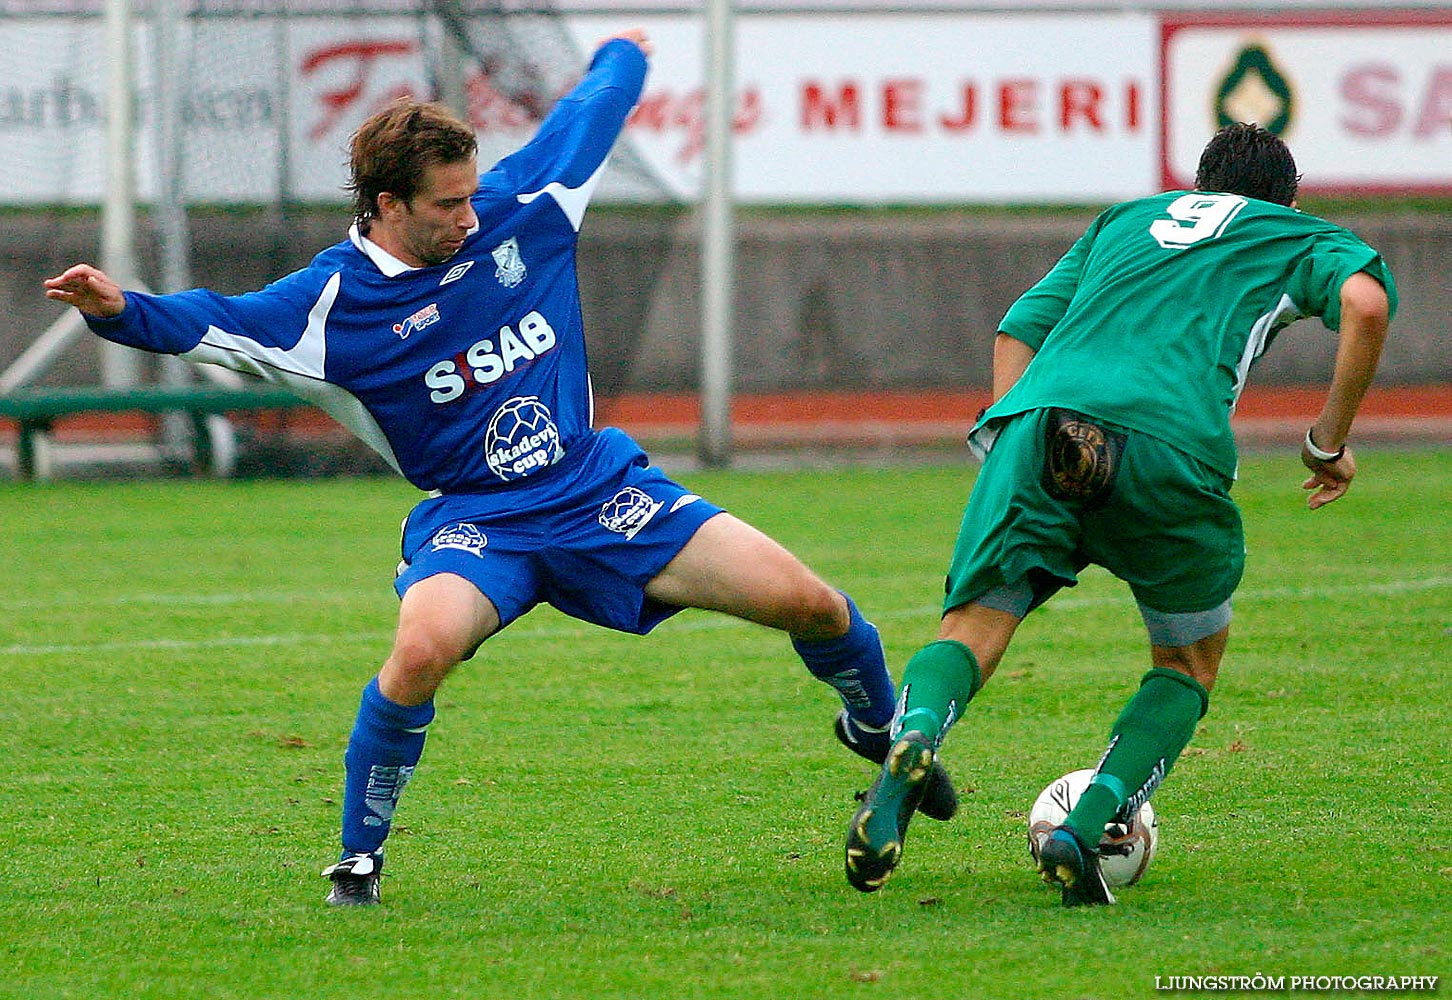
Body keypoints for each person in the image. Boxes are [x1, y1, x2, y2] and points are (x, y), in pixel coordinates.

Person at [44, 29, 957, 907]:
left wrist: (624, 55)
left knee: (817, 605)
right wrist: (119, 308)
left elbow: (591, 110)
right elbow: (214, 321)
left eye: (472, 195)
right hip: (479, 520)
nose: (470, 215)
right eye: (448, 204)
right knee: (421, 650)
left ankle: (879, 738)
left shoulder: (529, 206)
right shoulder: (331, 305)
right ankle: (358, 861)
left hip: (601, 491)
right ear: (388, 205)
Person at [842, 123, 1394, 906]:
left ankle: (914, 742)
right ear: (1291, 199)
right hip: (1170, 446)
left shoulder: (1127, 218)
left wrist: (1008, 440)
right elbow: (1366, 306)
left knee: (968, 628)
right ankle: (1090, 822)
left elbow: (1020, 325)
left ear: (1196, 186)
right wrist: (1325, 440)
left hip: (1041, 424)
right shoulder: (1299, 234)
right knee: (1187, 664)